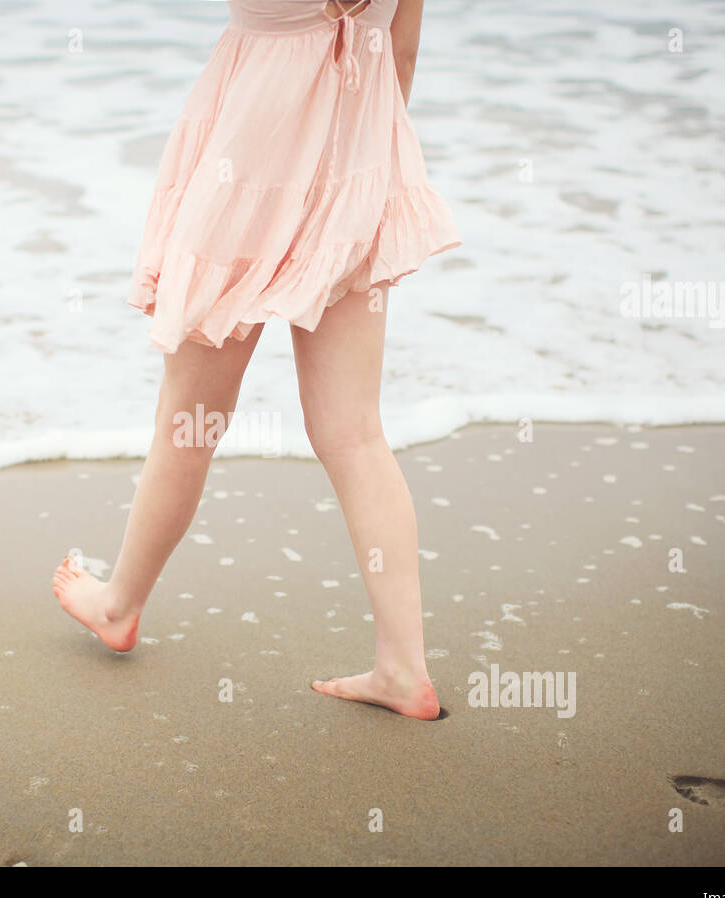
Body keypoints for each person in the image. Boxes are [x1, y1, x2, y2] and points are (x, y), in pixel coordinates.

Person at [52, 0, 462, 720]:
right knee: (355, 433)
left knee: (190, 419)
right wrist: (364, 175)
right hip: (357, 172)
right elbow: (398, 61)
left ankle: (119, 605)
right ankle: (403, 669)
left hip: (247, 176)